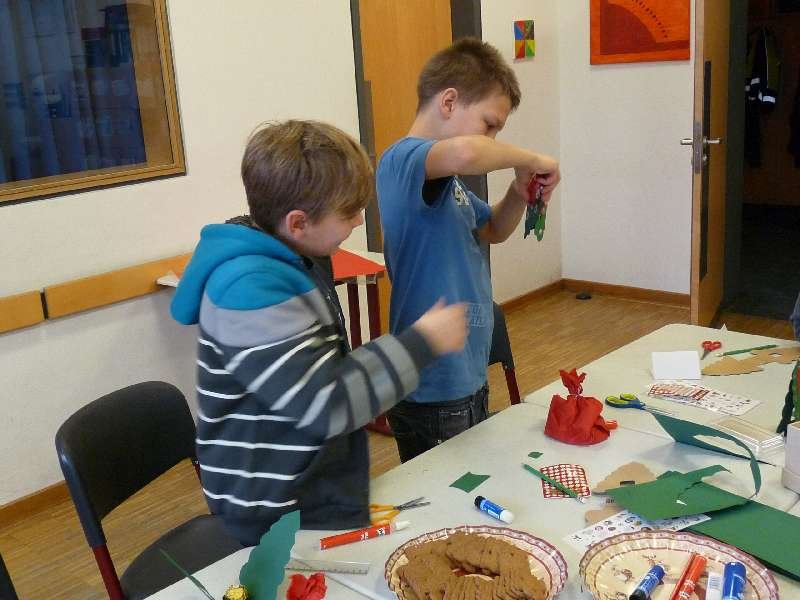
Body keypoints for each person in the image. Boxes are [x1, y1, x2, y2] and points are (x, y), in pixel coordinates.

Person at [170, 120, 466, 545]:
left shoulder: (297, 255)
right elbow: (324, 403)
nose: (359, 220)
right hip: (270, 508)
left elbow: (321, 369)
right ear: (298, 223)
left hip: (307, 485)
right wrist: (422, 343)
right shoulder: (249, 290)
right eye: (348, 213)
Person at [377, 38, 561, 462]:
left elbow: (493, 228)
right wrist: (531, 159)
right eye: (489, 124)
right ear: (448, 102)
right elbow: (465, 151)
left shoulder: (449, 185)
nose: (493, 139)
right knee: (451, 492)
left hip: (465, 372)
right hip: (434, 384)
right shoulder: (402, 160)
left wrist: (518, 191)